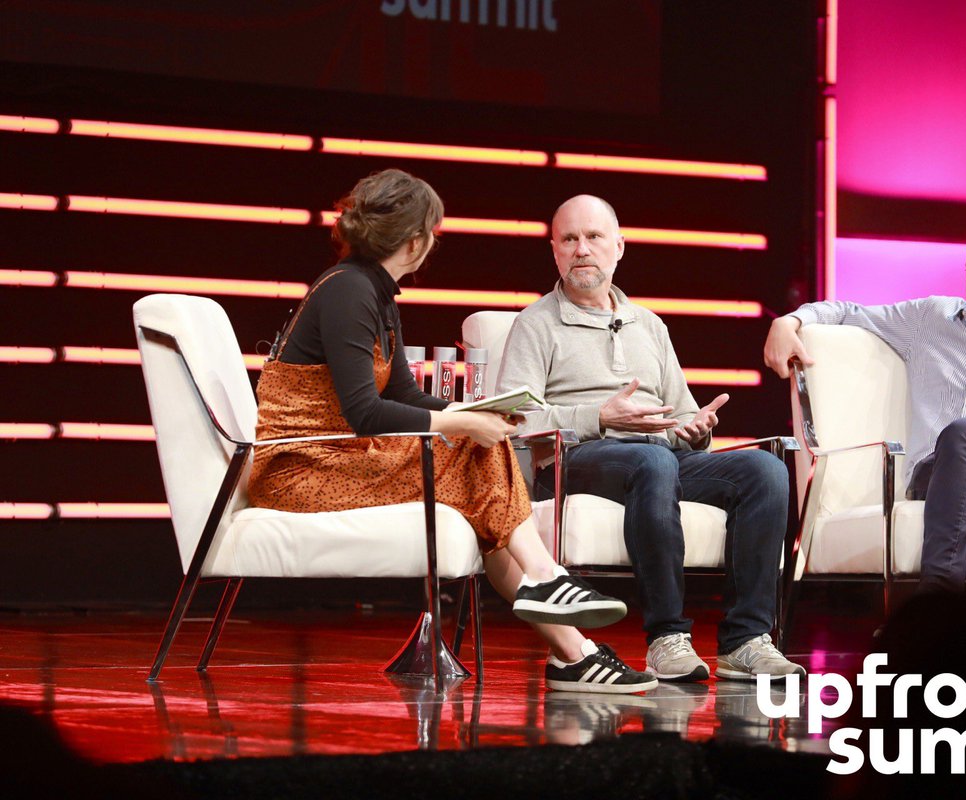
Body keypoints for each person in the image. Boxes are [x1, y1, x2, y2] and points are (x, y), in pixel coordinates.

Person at [247, 170, 655, 694]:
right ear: (415, 240)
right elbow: (365, 413)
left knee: (484, 470)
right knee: (474, 451)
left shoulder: (374, 292)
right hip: (300, 470)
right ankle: (548, 583)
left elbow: (404, 395)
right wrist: (462, 422)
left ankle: (572, 649)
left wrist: (479, 411)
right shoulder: (348, 291)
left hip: (340, 457)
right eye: (432, 232)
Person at [496, 194, 804, 683]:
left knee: (764, 469)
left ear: (618, 247)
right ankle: (667, 638)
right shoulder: (535, 324)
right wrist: (598, 415)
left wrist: (694, 430)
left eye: (593, 237)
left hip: (655, 455)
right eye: (569, 239)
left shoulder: (650, 324)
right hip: (576, 459)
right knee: (652, 462)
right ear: (554, 250)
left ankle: (746, 640)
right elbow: (515, 419)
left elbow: (678, 415)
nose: (582, 249)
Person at [763, 218, 966, 617]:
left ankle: (935, 605)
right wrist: (790, 320)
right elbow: (849, 312)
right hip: (937, 473)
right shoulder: (930, 319)